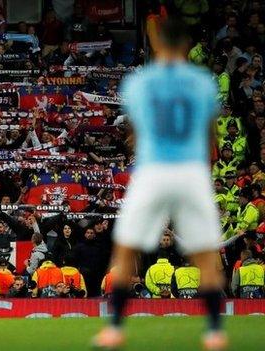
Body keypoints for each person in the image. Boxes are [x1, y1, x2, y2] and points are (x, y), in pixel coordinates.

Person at [94, 19, 228, 350]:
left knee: (126, 249)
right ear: (186, 45)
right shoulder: (203, 82)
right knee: (207, 255)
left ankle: (115, 329)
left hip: (154, 170)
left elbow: (136, 133)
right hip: (192, 171)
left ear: (156, 45)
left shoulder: (141, 82)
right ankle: (214, 332)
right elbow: (211, 134)